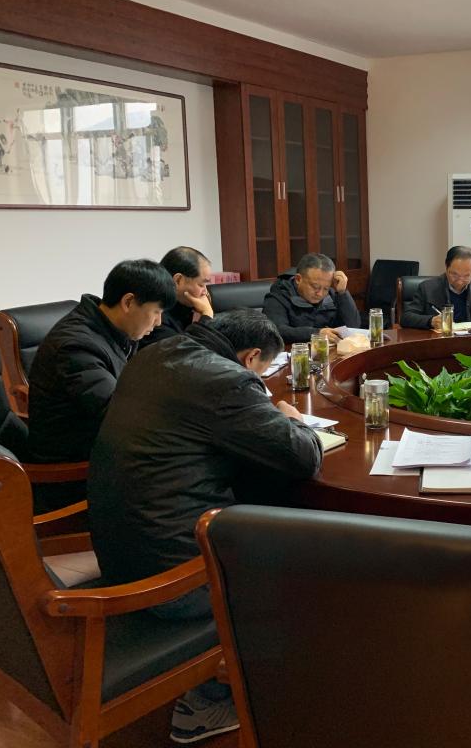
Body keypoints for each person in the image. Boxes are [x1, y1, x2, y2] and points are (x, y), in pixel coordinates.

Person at [88, 309, 323, 744]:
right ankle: (213, 701)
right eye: (263, 369)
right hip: (173, 581)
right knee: (306, 556)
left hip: (118, 551)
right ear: (250, 357)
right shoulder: (226, 381)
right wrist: (293, 419)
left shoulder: (155, 353)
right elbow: (303, 457)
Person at [27, 259, 175, 463]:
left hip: (103, 440)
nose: (158, 322)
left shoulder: (113, 330)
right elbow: (116, 414)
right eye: (156, 312)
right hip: (74, 460)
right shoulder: (77, 346)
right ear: (128, 302)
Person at [400, 245, 471, 330]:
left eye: (467, 276)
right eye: (454, 275)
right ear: (446, 268)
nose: (460, 281)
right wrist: (431, 321)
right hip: (439, 343)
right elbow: (406, 317)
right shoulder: (427, 288)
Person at [263, 253, 360, 343]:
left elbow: (353, 327)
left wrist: (342, 293)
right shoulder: (278, 297)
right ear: (298, 279)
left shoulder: (331, 295)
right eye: (315, 287)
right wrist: (317, 333)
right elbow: (277, 331)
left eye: (326, 288)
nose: (320, 294)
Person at [140, 246, 214, 347]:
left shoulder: (185, 307)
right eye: (201, 285)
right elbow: (186, 352)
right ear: (178, 280)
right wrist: (207, 315)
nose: (205, 292)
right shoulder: (156, 318)